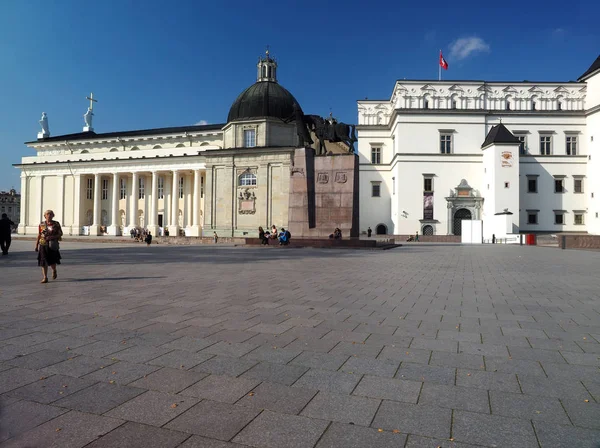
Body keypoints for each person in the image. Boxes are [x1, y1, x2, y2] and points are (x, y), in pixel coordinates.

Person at [35, 210, 63, 283]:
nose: (49, 215)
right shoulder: (42, 224)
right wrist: (36, 245)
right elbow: (39, 234)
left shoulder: (56, 224)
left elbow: (60, 233)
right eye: (47, 214)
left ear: (53, 215)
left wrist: (53, 237)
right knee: (43, 261)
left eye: (51, 214)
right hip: (43, 244)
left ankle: (54, 270)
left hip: (52, 244)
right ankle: (45, 277)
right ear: (45, 216)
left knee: (52, 260)